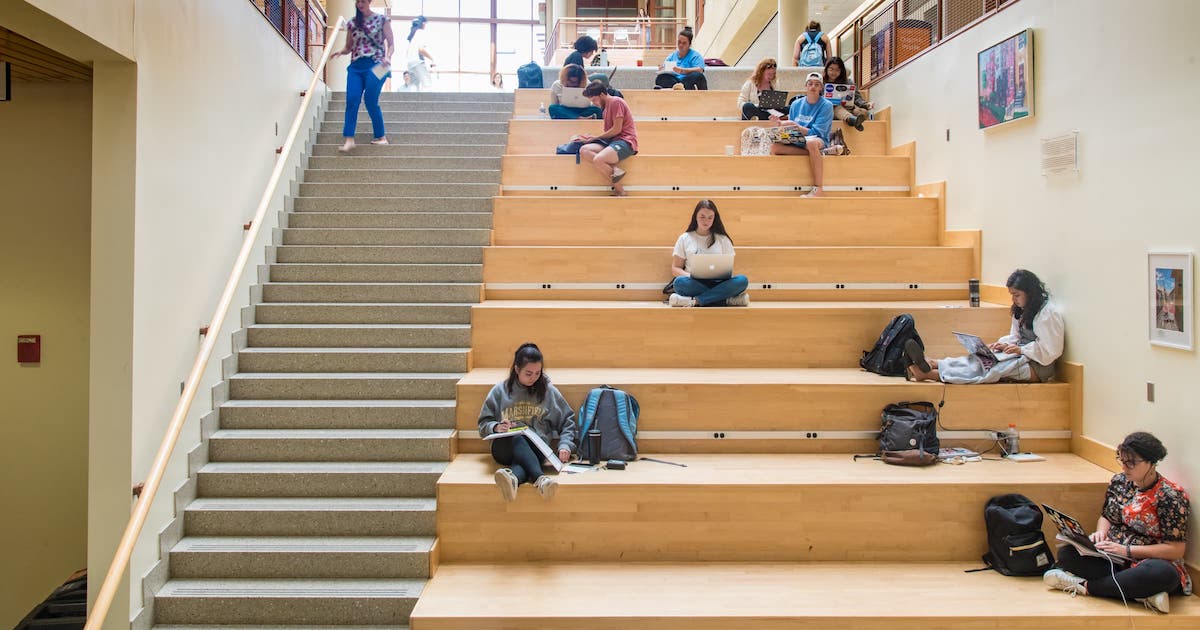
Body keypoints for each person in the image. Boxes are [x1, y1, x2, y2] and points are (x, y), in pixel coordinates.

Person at [1043, 432, 1190, 614]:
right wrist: (1100, 534)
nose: (1125, 467)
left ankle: (1085, 586)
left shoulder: (1170, 496)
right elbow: (1107, 516)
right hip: (1115, 557)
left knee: (1161, 574)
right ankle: (1140, 593)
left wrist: (1128, 551)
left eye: (1131, 463)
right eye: (1122, 460)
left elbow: (1175, 549)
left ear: (1151, 462)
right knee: (1067, 553)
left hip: (1149, 560)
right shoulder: (1120, 481)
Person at [906, 269, 1065, 384]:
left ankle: (928, 374)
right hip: (1022, 355)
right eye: (1012, 296)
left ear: (1029, 292)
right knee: (983, 359)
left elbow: (1051, 350)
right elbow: (1016, 337)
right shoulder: (1023, 309)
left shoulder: (1047, 313)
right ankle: (935, 363)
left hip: (1037, 367)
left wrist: (1021, 350)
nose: (1014, 300)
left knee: (991, 370)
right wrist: (1003, 345)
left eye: (1017, 295)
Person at [477, 343, 577, 502]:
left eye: (538, 373)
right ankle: (541, 479)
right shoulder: (499, 391)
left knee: (523, 459)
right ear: (516, 369)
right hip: (504, 447)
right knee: (518, 437)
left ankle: (513, 479)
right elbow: (483, 425)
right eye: (528, 373)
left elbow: (567, 421)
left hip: (537, 449)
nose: (534, 378)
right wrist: (496, 427)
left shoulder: (548, 392)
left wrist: (565, 444)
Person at [330, 0, 394, 153]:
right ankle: (349, 139)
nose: (360, 4)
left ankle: (381, 136)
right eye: (358, 1)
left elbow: (391, 44)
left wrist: (388, 57)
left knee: (370, 101)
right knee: (352, 100)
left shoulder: (382, 20)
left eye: (363, 1)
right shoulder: (352, 23)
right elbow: (349, 47)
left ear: (369, 1)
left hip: (378, 65)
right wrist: (341, 52)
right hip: (356, 67)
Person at [668, 200, 750, 307]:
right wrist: (690, 276)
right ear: (695, 217)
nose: (706, 221)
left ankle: (697, 301)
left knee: (742, 281)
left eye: (710, 217)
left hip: (719, 283)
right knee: (679, 283)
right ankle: (725, 300)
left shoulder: (723, 239)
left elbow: (728, 267)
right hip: (694, 283)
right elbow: (675, 268)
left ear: (714, 219)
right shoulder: (685, 238)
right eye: (702, 216)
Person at [770, 72, 832, 197]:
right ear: (806, 86)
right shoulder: (796, 104)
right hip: (798, 136)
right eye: (810, 84)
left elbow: (817, 132)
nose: (813, 87)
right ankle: (821, 153)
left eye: (816, 84)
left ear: (821, 88)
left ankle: (818, 188)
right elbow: (791, 128)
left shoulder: (827, 106)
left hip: (817, 138)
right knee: (774, 147)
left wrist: (797, 127)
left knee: (811, 143)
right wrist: (780, 124)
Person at [577, 80, 638, 197]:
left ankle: (620, 190)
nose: (594, 103)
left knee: (598, 160)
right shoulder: (605, 108)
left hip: (626, 141)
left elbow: (617, 129)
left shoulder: (616, 102)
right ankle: (615, 169)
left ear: (602, 95)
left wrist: (596, 137)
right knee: (584, 150)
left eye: (594, 100)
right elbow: (610, 132)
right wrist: (592, 138)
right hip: (613, 142)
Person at [823, 56, 873, 131]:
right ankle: (850, 119)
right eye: (831, 69)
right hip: (832, 110)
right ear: (826, 69)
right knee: (837, 108)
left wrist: (866, 104)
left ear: (841, 71)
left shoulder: (848, 82)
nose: (834, 72)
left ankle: (854, 120)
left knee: (863, 112)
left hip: (849, 108)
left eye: (837, 70)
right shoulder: (821, 83)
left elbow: (857, 98)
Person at [405, 15, 436, 91]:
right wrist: (432, 59)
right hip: (417, 62)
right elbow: (421, 49)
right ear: (423, 23)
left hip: (410, 63)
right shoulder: (420, 32)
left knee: (414, 87)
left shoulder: (412, 34)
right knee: (427, 85)